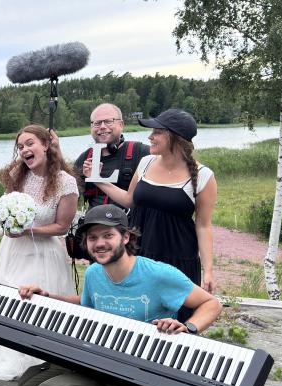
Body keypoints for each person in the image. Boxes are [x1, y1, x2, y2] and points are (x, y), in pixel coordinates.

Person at [16, 204, 222, 386]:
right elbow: (86, 304)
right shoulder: (94, 273)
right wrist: (48, 296)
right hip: (102, 356)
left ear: (126, 237)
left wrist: (187, 327)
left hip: (140, 368)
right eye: (93, 237)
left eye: (107, 235)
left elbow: (211, 304)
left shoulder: (158, 274)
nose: (99, 243)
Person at [0, 125, 78, 380]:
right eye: (21, 146)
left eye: (30, 143)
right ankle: (8, 353)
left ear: (46, 144)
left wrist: (29, 231)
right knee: (10, 297)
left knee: (36, 302)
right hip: (13, 250)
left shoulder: (65, 182)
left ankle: (39, 356)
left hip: (44, 253)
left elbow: (62, 226)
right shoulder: (17, 175)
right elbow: (7, 213)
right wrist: (9, 225)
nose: (25, 149)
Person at [85, 108, 217, 322]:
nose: (150, 137)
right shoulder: (146, 162)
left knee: (176, 321)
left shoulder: (203, 176)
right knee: (136, 310)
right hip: (140, 250)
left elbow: (203, 226)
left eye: (157, 132)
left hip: (177, 257)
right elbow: (129, 200)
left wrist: (209, 269)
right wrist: (98, 179)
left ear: (174, 138)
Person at [75, 103, 150, 209]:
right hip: (94, 223)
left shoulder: (141, 152)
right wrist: (54, 150)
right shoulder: (85, 157)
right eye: (97, 123)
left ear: (121, 124)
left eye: (108, 121)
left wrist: (96, 178)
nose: (102, 127)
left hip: (131, 223)